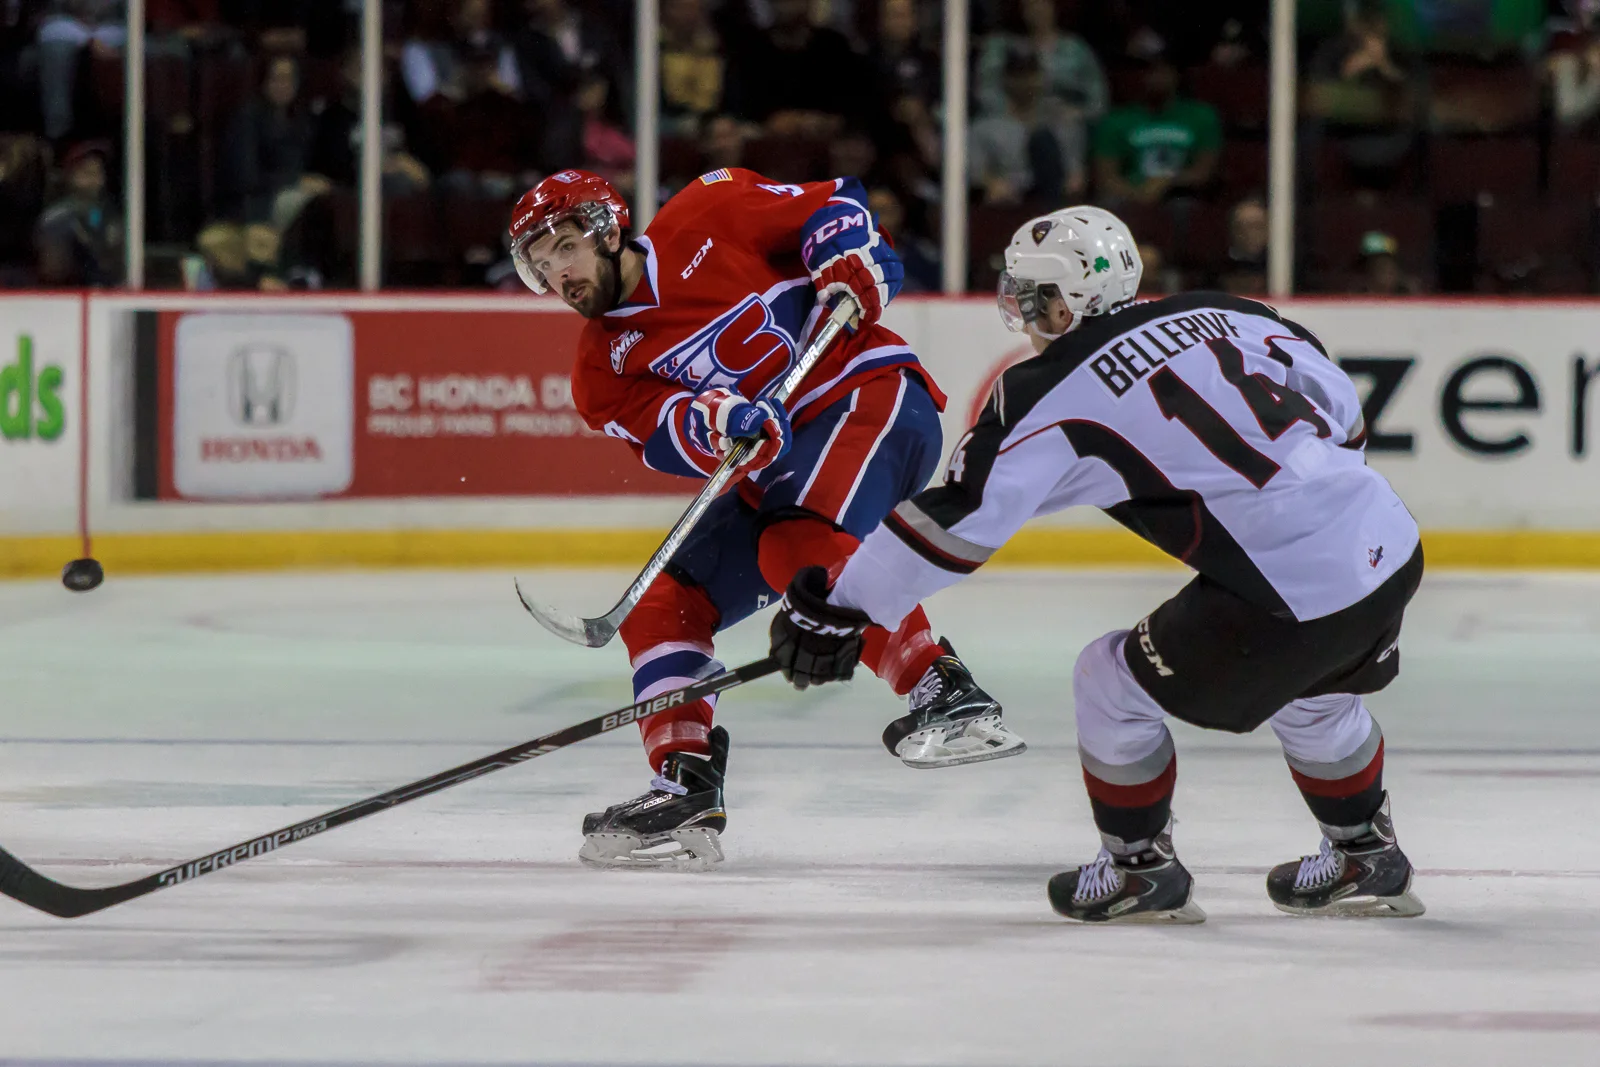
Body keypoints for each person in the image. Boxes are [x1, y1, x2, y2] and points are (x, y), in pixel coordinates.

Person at [766, 205, 1427, 924]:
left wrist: (844, 606)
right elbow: (1343, 415)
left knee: (1109, 679)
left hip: (1299, 583)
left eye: (1029, 293)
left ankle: (1138, 869)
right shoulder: (1235, 310)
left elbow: (959, 518)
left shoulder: (1049, 387)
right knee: (1316, 691)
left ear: (1065, 299)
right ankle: (1367, 853)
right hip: (1388, 541)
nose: (1020, 310)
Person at [507, 167, 1026, 870]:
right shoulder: (600, 371)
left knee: (794, 543)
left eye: (564, 247)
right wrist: (717, 420)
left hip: (866, 396)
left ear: (605, 229)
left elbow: (835, 202)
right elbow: (669, 430)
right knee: (663, 602)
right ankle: (684, 780)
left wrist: (848, 257)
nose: (558, 274)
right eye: (540, 266)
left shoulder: (709, 208)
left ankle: (945, 689)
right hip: (783, 468)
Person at [1092, 57, 1220, 204]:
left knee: (1184, 204)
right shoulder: (1116, 120)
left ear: (1176, 75)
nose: (1155, 79)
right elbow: (1106, 177)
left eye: (1162, 72)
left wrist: (1167, 182)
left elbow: (1204, 173)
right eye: (1149, 72)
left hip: (1180, 193)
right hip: (1130, 193)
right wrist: (1138, 194)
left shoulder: (1201, 115)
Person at [969, 50, 1086, 205]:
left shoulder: (1063, 121)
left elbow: (1075, 173)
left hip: (1055, 199)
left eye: (1031, 74)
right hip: (1009, 202)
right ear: (1005, 79)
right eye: (1018, 75)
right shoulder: (984, 127)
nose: (1025, 82)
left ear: (1041, 77)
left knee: (1043, 139)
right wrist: (992, 183)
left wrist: (1074, 180)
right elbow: (977, 174)